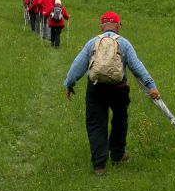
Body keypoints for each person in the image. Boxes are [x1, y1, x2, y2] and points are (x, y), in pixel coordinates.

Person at [63, 11, 160, 176]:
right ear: (118, 26)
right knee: (120, 121)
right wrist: (151, 86)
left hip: (95, 88)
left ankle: (99, 165)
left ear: (101, 26)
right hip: (118, 88)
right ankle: (117, 155)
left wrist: (69, 84)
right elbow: (137, 67)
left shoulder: (92, 43)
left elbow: (77, 65)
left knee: (96, 124)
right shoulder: (124, 44)